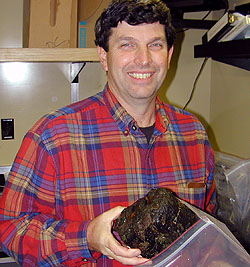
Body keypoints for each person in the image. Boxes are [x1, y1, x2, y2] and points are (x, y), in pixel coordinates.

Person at [0, 0, 216, 266]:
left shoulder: (193, 134)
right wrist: (87, 236)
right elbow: (10, 229)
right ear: (104, 56)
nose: (144, 59)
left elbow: (209, 227)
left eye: (155, 45)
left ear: (169, 55)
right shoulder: (53, 136)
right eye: (127, 44)